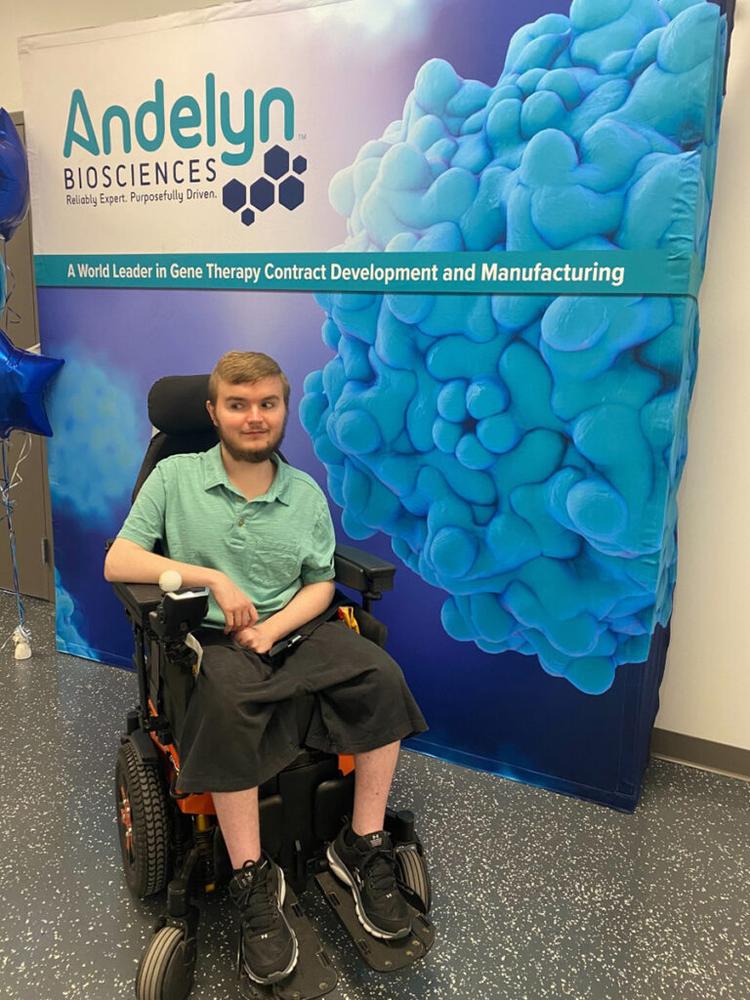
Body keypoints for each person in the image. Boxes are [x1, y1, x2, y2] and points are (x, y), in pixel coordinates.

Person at [104, 351, 428, 986]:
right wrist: (212, 579)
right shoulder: (173, 478)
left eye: (267, 405)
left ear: (282, 410)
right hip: (211, 640)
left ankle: (358, 846)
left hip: (292, 631)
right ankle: (254, 879)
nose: (254, 418)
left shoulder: (301, 491)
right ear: (213, 412)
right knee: (225, 700)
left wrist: (276, 628)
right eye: (237, 404)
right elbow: (119, 561)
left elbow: (321, 583)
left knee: (380, 676)